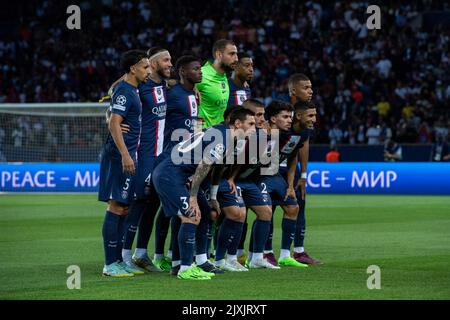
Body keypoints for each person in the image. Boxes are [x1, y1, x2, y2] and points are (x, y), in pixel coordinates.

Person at [152, 107, 256, 280]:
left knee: (205, 212)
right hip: (170, 175)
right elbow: (204, 165)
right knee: (192, 215)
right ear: (237, 123)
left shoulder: (225, 135)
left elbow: (216, 167)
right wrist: (192, 196)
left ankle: (184, 263)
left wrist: (213, 196)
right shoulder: (223, 137)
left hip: (177, 174)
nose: (254, 128)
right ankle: (186, 268)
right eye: (251, 124)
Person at [119, 47, 173, 273]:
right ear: (152, 64)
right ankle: (124, 255)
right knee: (138, 202)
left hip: (161, 153)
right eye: (166, 60)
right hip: (143, 154)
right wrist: (109, 120)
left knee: (153, 202)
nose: (171, 63)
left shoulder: (163, 85)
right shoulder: (141, 85)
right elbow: (117, 92)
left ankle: (141, 253)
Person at [98, 50, 150, 277]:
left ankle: (119, 259)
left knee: (125, 207)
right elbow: (114, 124)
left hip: (129, 154)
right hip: (119, 156)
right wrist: (125, 155)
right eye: (145, 67)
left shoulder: (133, 90)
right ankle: (110, 264)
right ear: (133, 69)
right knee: (116, 206)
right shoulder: (124, 91)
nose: (148, 71)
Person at [264, 73, 321, 266]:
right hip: (270, 166)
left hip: (289, 166)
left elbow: (301, 145)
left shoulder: (307, 116)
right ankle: (265, 252)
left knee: (298, 205)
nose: (310, 91)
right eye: (306, 87)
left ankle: (297, 251)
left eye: (311, 87)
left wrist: (303, 174)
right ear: (293, 91)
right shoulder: (282, 112)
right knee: (267, 208)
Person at [196, 39, 238, 128]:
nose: (236, 58)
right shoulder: (202, 75)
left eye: (236, 54)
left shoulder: (223, 75)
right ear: (219, 55)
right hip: (203, 136)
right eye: (231, 54)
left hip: (218, 135)